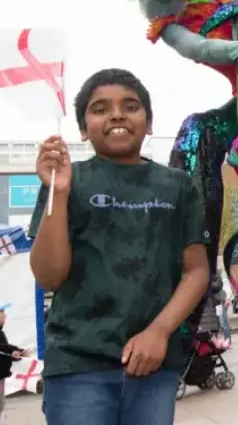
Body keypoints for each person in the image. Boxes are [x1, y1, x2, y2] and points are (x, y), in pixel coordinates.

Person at [28, 68, 211, 425]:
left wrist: (159, 333)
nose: (116, 115)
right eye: (100, 109)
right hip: (77, 364)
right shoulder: (67, 180)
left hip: (153, 364)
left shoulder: (177, 185)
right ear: (83, 128)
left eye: (130, 106)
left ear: (149, 122)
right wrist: (60, 192)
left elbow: (197, 270)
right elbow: (49, 277)